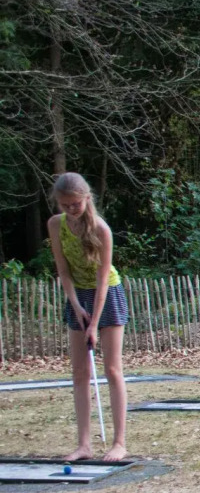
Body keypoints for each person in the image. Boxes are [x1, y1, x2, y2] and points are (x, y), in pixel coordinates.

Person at [47, 172, 129, 462]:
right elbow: (64, 271)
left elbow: (103, 279)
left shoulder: (101, 230)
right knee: (80, 372)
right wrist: (76, 306)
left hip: (107, 295)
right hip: (77, 297)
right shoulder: (55, 226)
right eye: (65, 205)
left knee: (112, 369)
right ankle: (84, 445)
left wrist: (93, 322)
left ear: (86, 198)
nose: (71, 209)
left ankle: (119, 442)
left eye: (76, 204)